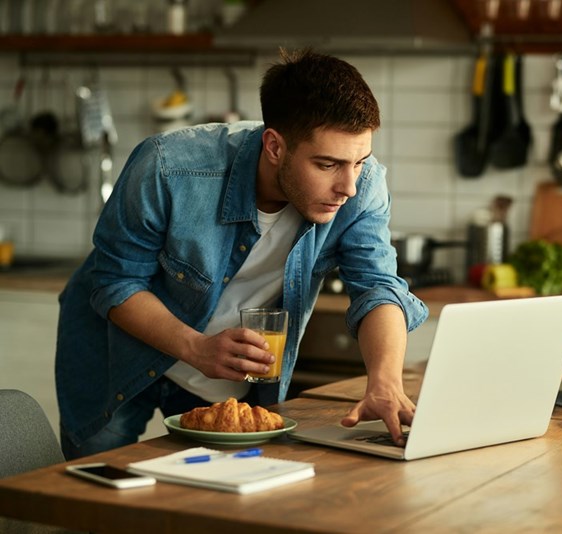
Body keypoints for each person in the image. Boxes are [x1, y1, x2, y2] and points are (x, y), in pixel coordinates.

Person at [55, 48, 429, 459]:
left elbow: (377, 287)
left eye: (360, 162)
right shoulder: (169, 167)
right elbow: (114, 281)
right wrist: (196, 348)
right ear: (274, 146)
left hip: (225, 378)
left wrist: (385, 380)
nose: (349, 186)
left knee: (212, 502)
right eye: (327, 164)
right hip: (115, 353)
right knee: (96, 488)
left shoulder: (363, 186)